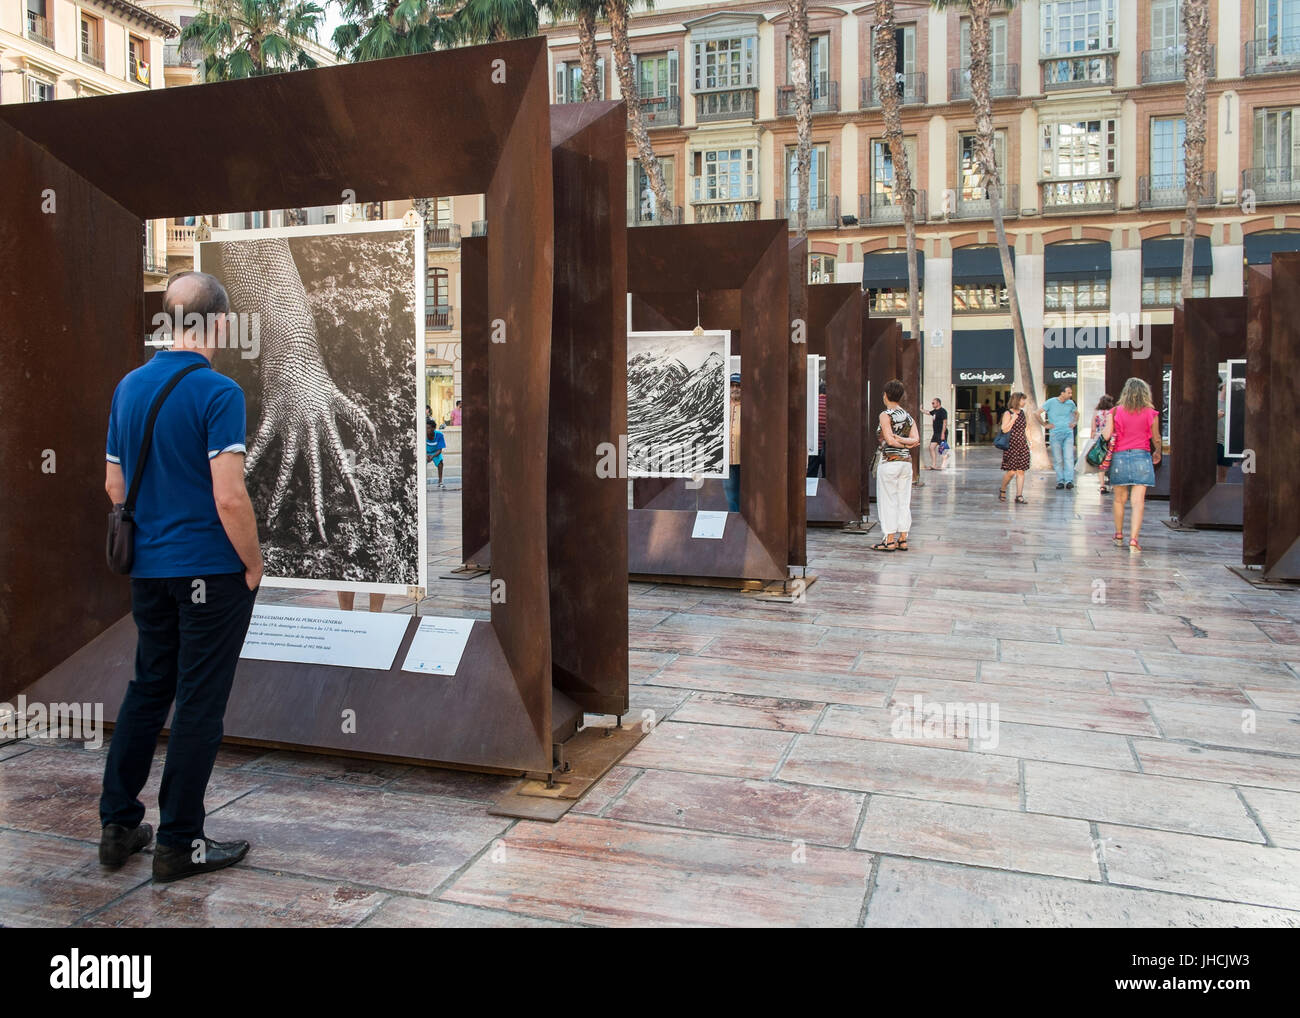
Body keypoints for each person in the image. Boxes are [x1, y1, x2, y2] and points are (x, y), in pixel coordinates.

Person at [100, 271, 262, 883]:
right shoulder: (219, 394)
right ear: (219, 323)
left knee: (148, 688)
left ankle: (118, 825)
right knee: (199, 701)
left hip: (150, 572)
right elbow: (230, 497)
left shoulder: (128, 388)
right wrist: (252, 562)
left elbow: (115, 487)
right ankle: (179, 843)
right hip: (211, 573)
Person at [1103, 377, 1161, 553]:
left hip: (1119, 457)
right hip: (1142, 456)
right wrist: (1157, 451)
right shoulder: (1151, 413)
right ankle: (1134, 540)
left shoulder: (1114, 411)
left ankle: (1119, 535)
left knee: (1119, 499)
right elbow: (1156, 438)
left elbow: (1106, 436)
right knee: (1138, 502)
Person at [874, 379, 920, 551]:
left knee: (888, 500)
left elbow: (889, 439)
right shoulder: (908, 417)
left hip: (889, 462)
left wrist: (899, 441)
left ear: (885, 395)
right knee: (903, 499)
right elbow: (916, 440)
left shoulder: (885, 415)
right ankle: (903, 538)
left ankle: (889, 539)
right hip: (906, 464)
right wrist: (907, 443)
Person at [1077, 394, 1116, 494]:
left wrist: (1092, 440)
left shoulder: (1096, 413)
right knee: (1111, 461)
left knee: (1101, 463)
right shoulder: (1112, 413)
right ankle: (1114, 484)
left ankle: (1102, 485)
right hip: (1110, 439)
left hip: (1098, 439)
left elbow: (1093, 428)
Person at [1042, 385, 1079, 490]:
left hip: (1068, 433)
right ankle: (1060, 481)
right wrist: (1044, 424)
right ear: (1062, 393)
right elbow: (1037, 413)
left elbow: (1077, 414)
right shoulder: (1051, 402)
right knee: (1058, 459)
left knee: (1069, 458)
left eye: (1071, 393)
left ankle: (1069, 480)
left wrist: (1074, 422)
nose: (1071, 395)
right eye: (1069, 393)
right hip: (1055, 434)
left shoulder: (1071, 403)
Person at [999, 392, 1030, 503]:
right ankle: (1003, 489)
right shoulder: (1008, 413)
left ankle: (1019, 495)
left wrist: (1030, 441)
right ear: (1017, 400)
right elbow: (1004, 429)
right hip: (1011, 444)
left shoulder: (1023, 413)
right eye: (1022, 400)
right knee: (1011, 471)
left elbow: (1026, 428)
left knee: (1021, 471)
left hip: (1022, 444)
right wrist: (1012, 419)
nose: (1024, 402)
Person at [723, 373, 741, 512]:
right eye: (732, 385)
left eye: (738, 385)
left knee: (748, 494)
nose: (735, 388)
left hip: (745, 459)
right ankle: (735, 523)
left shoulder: (750, 408)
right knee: (731, 495)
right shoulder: (721, 407)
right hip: (727, 459)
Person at [925, 397, 949, 471]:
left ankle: (944, 463)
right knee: (931, 448)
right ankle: (934, 465)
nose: (932, 404)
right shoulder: (935, 411)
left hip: (941, 432)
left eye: (933, 403)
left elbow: (945, 423)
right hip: (935, 433)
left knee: (942, 449)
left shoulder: (943, 411)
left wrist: (942, 433)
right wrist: (920, 409)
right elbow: (928, 412)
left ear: (938, 403)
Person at [1216, 378, 1230, 482]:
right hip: (1216, 442)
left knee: (1223, 474)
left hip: (1227, 443)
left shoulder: (1233, 403)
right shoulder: (1214, 401)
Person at [427, 418, 446, 486]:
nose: (426, 430)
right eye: (425, 428)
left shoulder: (439, 435)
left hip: (435, 452)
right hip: (425, 452)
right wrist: (425, 455)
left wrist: (432, 456)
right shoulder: (422, 435)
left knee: (440, 463)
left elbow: (439, 450)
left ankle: (440, 481)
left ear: (433, 428)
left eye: (428, 428)